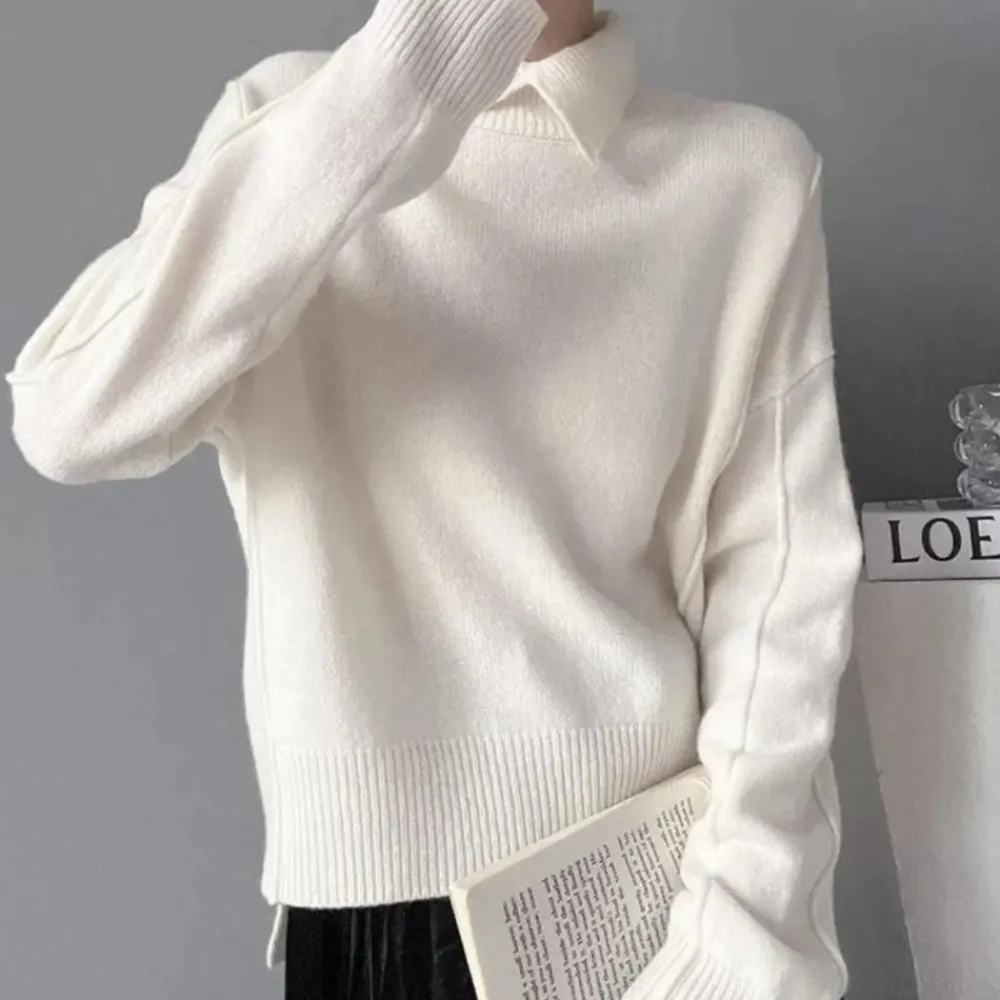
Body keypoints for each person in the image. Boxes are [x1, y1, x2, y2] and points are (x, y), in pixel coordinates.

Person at [5, 0, 863, 997]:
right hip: (364, 910)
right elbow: (71, 418)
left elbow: (782, 596)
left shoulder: (744, 175)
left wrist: (739, 942)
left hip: (646, 897)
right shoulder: (301, 116)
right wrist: (405, 79)